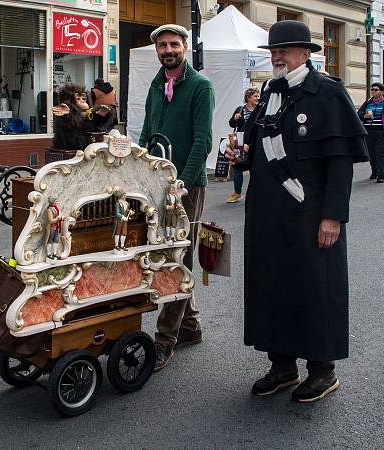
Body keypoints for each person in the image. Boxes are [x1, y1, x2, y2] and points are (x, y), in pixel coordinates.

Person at [225, 20, 368, 403]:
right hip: (268, 214)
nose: (277, 56)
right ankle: (282, 365)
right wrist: (241, 157)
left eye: (285, 50)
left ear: (306, 53)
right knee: (271, 286)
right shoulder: (272, 91)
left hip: (311, 213)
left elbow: (340, 162)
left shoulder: (327, 94)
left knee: (314, 289)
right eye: (274, 50)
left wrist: (333, 215)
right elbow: (259, 151)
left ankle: (323, 370)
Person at [138, 23, 214, 372]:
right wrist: (135, 171)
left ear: (185, 46)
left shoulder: (201, 86)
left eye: (174, 44)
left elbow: (203, 141)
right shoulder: (156, 84)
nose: (168, 50)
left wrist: (181, 181)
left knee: (177, 257)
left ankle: (166, 339)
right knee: (165, 253)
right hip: (155, 183)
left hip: (186, 186)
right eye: (162, 46)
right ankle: (190, 325)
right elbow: (146, 134)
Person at [358, 82, 384, 183]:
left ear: (381, 91)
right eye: (372, 90)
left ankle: (381, 175)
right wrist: (364, 116)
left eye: (376, 90)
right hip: (369, 131)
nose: (373, 92)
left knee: (381, 154)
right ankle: (374, 172)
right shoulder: (368, 102)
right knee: (371, 153)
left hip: (383, 131)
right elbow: (359, 113)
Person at [227, 87, 259, 203]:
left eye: (258, 96)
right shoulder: (240, 109)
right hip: (240, 141)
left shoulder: (260, 109)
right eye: (255, 96)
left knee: (255, 168)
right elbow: (231, 124)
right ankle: (237, 193)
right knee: (237, 166)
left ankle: (255, 193)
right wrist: (235, 118)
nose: (258, 98)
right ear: (248, 97)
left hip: (255, 142)